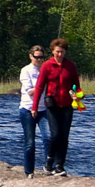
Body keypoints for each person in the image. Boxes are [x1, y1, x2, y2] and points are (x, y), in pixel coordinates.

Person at [31, 38, 80, 176]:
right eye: (57, 52)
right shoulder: (47, 66)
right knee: (55, 135)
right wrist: (34, 107)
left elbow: (76, 85)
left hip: (67, 105)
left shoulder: (70, 66)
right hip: (52, 105)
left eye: (62, 52)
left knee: (64, 137)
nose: (59, 54)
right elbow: (40, 87)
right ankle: (49, 162)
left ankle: (60, 165)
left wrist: (78, 96)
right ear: (53, 51)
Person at [20, 45, 52, 177]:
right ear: (30, 56)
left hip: (43, 109)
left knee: (49, 137)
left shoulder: (46, 69)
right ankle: (29, 171)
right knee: (30, 143)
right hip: (27, 109)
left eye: (41, 57)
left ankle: (49, 166)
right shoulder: (26, 70)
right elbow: (30, 92)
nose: (39, 60)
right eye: (36, 57)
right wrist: (42, 83)